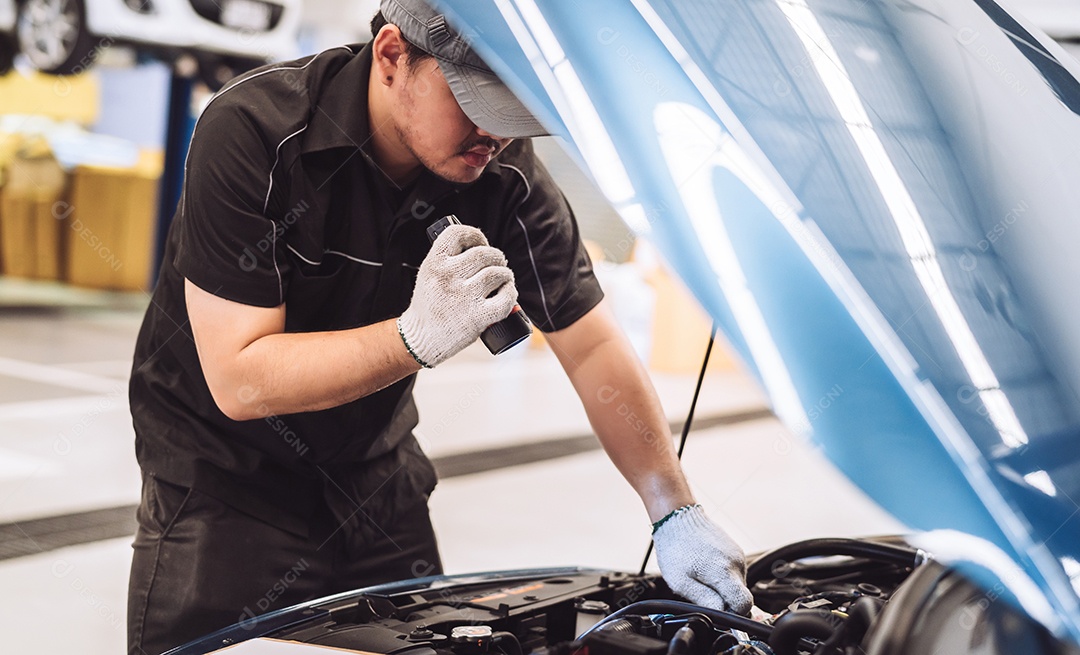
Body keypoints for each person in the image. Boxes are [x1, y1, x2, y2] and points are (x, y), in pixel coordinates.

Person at [126, 1, 752, 652]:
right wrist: (413, 338)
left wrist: (672, 507)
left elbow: (591, 343)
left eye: (513, 115)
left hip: (377, 490)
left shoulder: (504, 177)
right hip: (226, 493)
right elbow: (241, 378)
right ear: (393, 55)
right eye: (477, 104)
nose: (497, 136)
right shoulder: (255, 132)